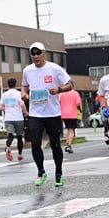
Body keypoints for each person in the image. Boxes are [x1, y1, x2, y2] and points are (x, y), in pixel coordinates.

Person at [21, 41, 73, 187]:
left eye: (39, 53)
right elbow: (24, 88)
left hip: (53, 113)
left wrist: (59, 90)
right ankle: (41, 171)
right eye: (33, 53)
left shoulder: (54, 68)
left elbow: (70, 84)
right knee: (35, 143)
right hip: (36, 113)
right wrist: (24, 95)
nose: (36, 56)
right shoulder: (27, 71)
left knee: (55, 144)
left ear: (44, 53)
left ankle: (58, 172)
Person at [0, 77, 28, 161]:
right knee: (19, 137)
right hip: (18, 118)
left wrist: (7, 109)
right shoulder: (18, 94)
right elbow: (22, 104)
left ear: (8, 84)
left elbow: (0, 107)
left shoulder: (4, 94)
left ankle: (8, 146)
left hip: (8, 118)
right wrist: (25, 112)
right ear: (15, 84)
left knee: (10, 135)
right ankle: (20, 154)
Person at [59, 86, 82, 154]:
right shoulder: (75, 93)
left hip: (63, 113)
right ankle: (69, 145)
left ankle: (67, 143)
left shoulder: (61, 93)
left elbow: (58, 102)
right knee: (71, 130)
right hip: (72, 114)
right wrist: (80, 110)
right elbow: (78, 104)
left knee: (68, 129)